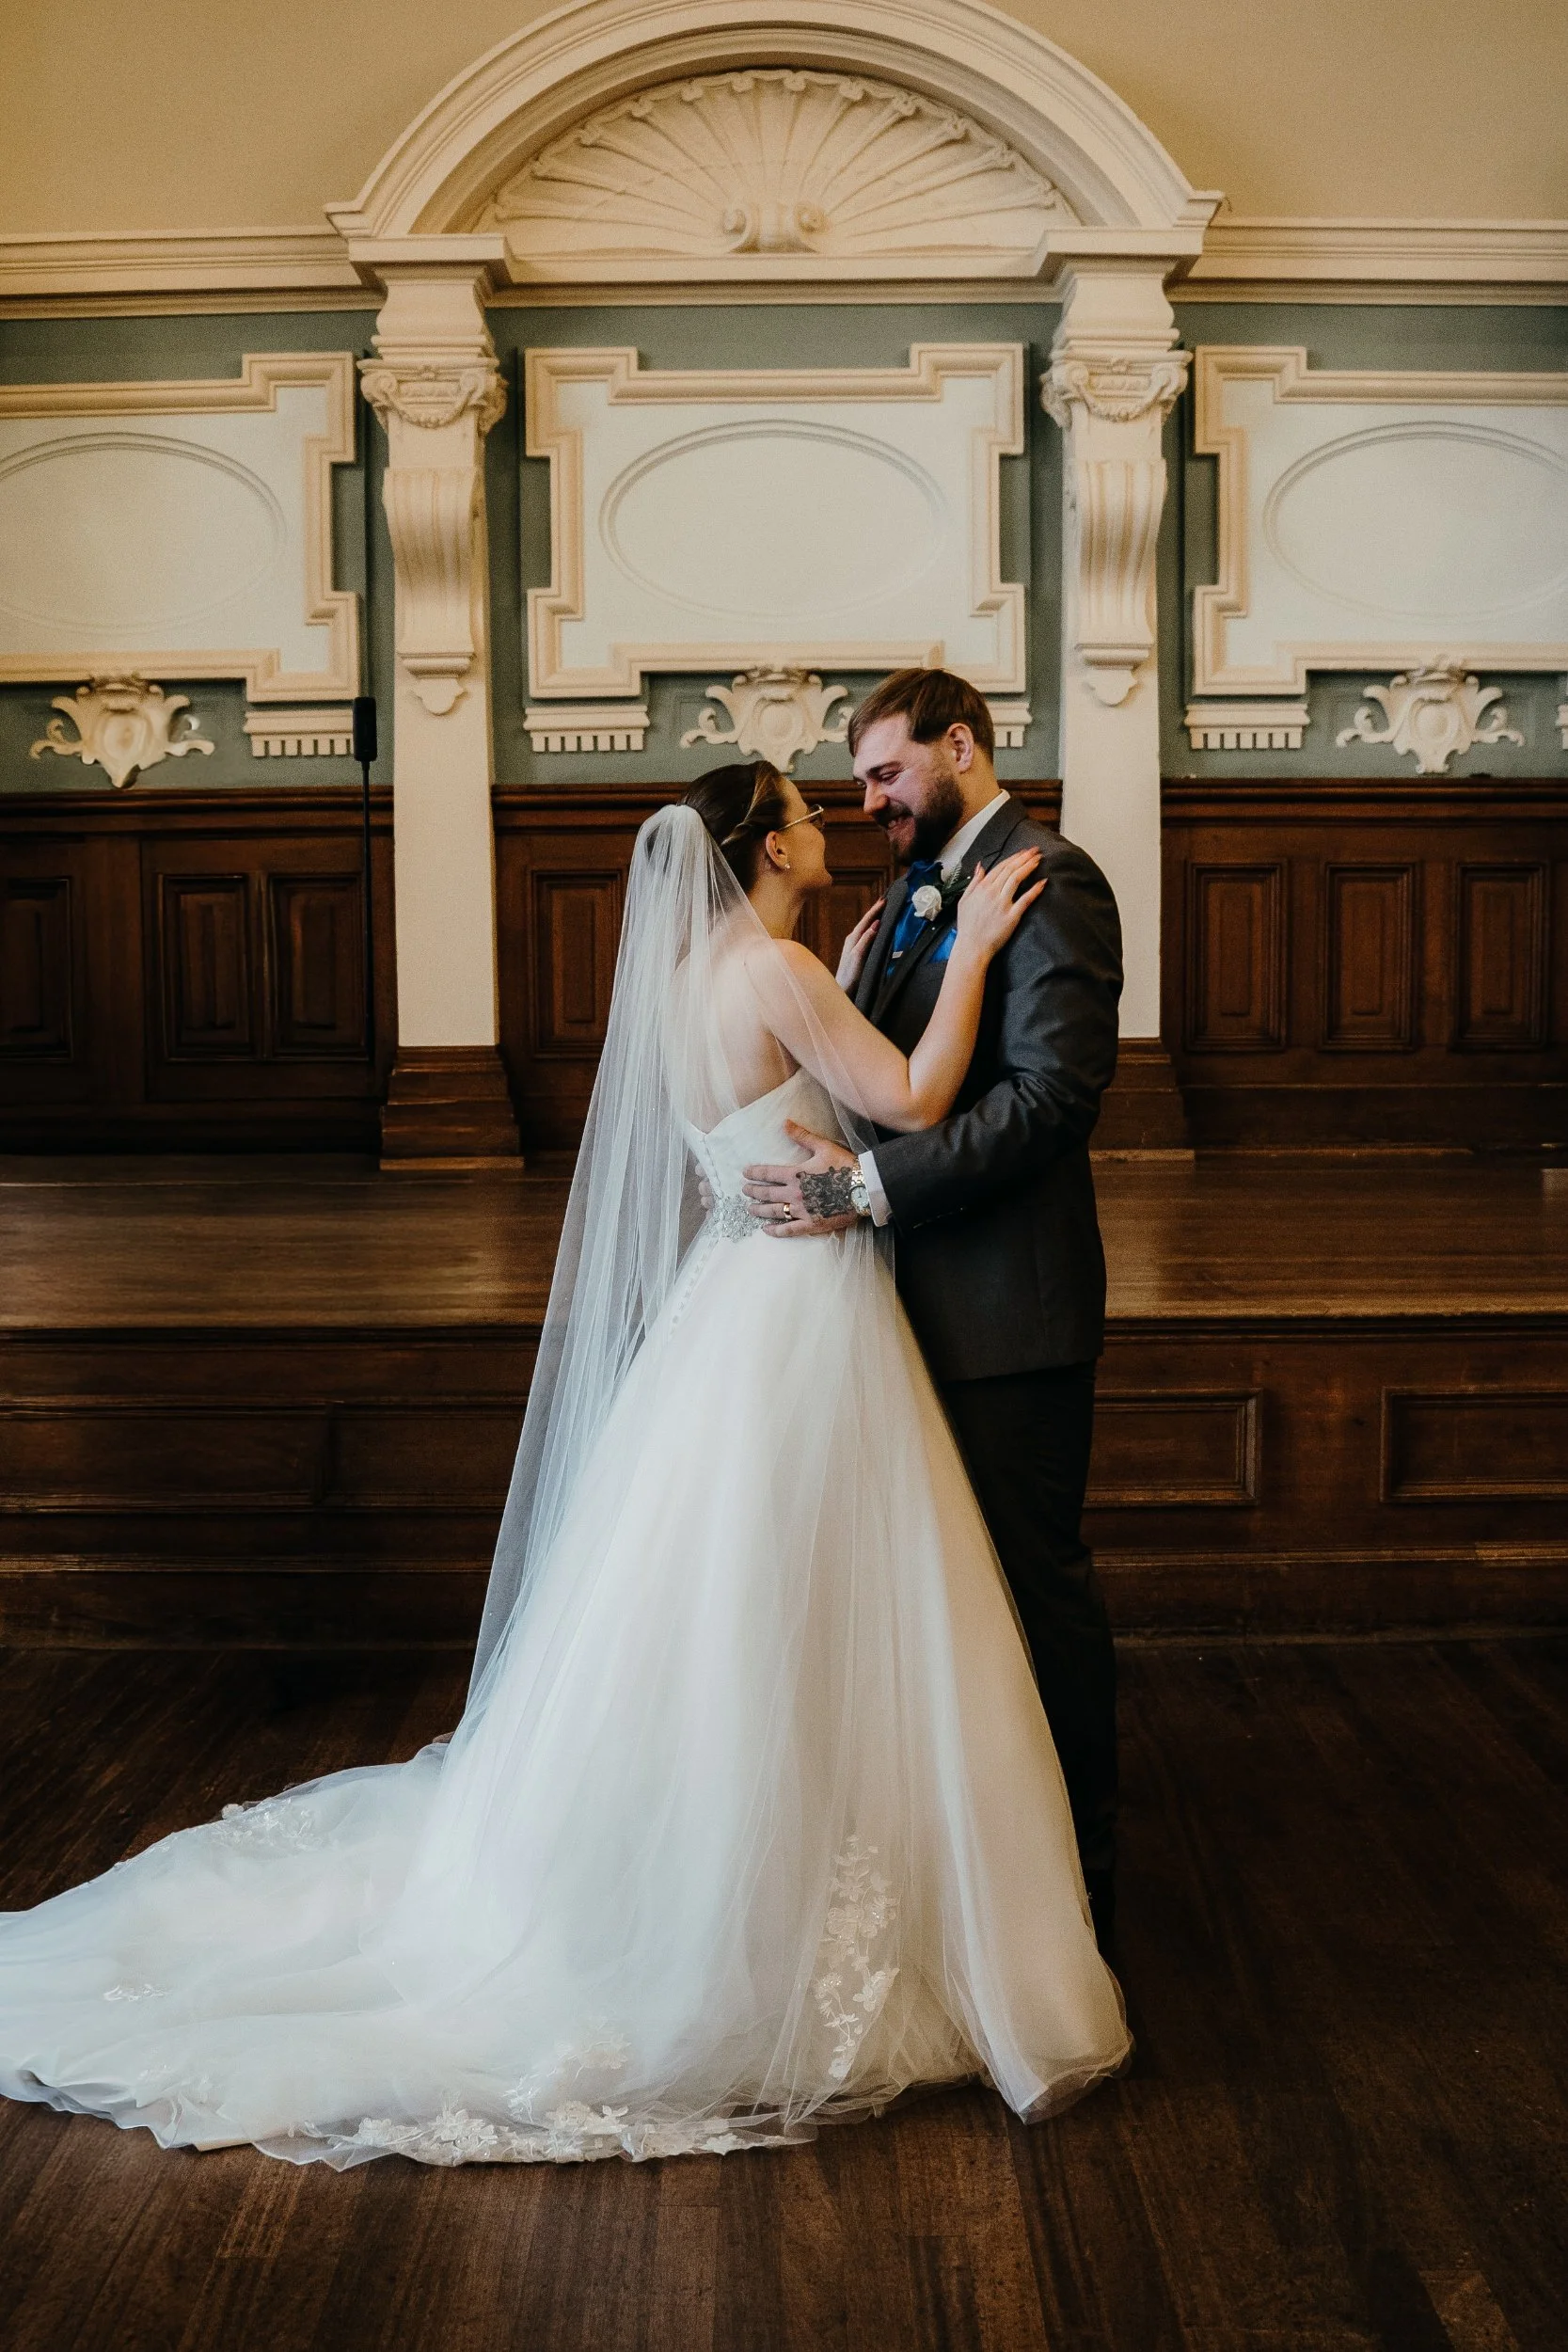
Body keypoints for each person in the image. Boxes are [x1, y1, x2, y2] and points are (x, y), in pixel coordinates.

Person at [0, 757, 1128, 2170]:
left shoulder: (692, 980)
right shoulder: (777, 967)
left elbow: (775, 1091)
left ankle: (730, 1867)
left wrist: (842, 969)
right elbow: (905, 1096)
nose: (826, 820)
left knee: (720, 1605)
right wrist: (963, 957)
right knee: (808, 1594)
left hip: (732, 1302)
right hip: (805, 1304)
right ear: (765, 846)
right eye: (802, 808)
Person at [741, 669, 1124, 1951]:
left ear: (957, 746)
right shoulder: (905, 902)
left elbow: (1045, 1104)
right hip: (895, 1313)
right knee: (940, 1611)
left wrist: (859, 1184)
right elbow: (897, 1080)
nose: (867, 803)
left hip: (1006, 1314)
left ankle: (1080, 1890)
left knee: (1031, 1593)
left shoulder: (1046, 878)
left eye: (887, 775)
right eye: (853, 785)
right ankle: (971, 1886)